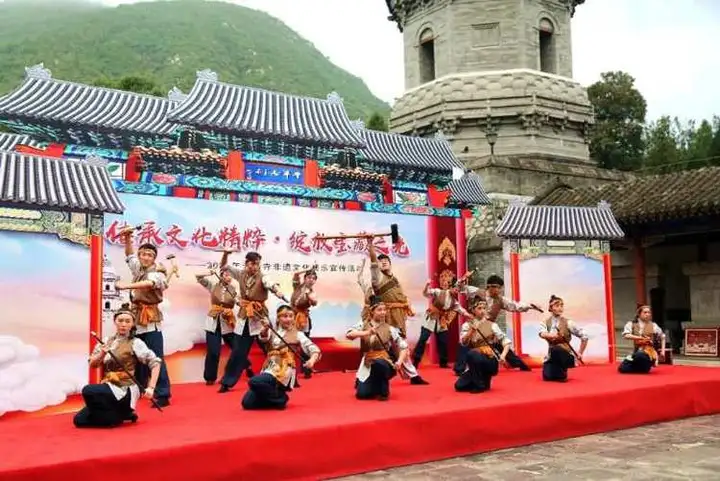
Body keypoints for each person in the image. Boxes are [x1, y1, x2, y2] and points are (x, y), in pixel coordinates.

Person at [74, 304, 161, 428]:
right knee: (79, 420)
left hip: (125, 388)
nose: (123, 324)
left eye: (127, 321)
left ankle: (119, 413)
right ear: (115, 322)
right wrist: (103, 353)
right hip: (108, 386)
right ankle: (121, 414)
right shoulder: (106, 340)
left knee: (88, 390)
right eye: (120, 321)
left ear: (132, 324)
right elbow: (93, 364)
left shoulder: (135, 343)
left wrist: (151, 388)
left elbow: (155, 362)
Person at [115, 229, 171, 407]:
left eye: (149, 255)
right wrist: (128, 238)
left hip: (151, 321)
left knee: (155, 356)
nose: (146, 257)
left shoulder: (158, 273)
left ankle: (162, 393)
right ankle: (138, 389)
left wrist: (126, 286)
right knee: (135, 355)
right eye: (143, 254)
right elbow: (130, 255)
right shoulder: (138, 268)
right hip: (136, 318)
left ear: (154, 258)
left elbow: (149, 284)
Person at [218, 250, 286, 393]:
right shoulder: (241, 274)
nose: (255, 266)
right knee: (238, 351)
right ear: (247, 263)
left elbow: (270, 283)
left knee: (272, 347)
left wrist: (277, 290)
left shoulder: (262, 276)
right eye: (252, 263)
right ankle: (227, 382)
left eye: (257, 264)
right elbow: (223, 267)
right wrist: (226, 254)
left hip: (260, 315)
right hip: (245, 315)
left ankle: (284, 377)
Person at [367, 239, 429, 385]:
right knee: (390, 347)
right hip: (387, 316)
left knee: (398, 346)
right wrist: (371, 246)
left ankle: (411, 375)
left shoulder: (394, 279)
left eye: (386, 260)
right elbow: (374, 264)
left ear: (390, 263)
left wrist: (407, 304)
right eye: (380, 261)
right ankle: (364, 377)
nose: (383, 262)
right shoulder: (378, 278)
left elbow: (401, 296)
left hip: (398, 315)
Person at [241, 305, 321, 410]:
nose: (288, 319)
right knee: (247, 403)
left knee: (253, 381)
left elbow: (314, 349)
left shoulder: (298, 334)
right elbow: (263, 339)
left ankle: (281, 398)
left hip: (283, 368)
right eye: (284, 316)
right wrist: (265, 328)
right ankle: (274, 399)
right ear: (278, 318)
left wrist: (311, 360)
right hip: (268, 368)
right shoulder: (272, 331)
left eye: (290, 316)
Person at [455, 274, 537, 374]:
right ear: (490, 287)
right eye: (498, 288)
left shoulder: (500, 300)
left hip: (489, 328)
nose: (499, 291)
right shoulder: (477, 292)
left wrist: (529, 306)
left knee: (501, 343)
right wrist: (462, 279)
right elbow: (459, 288)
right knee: (465, 342)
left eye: (500, 288)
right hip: (475, 325)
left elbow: (514, 306)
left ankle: (519, 364)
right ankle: (459, 369)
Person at [346, 296, 409, 401]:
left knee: (379, 363)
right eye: (379, 310)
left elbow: (403, 346)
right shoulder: (363, 324)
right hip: (367, 362)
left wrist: (399, 362)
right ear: (372, 311)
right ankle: (373, 384)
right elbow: (349, 335)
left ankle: (384, 388)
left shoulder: (390, 328)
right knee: (362, 395)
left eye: (384, 310)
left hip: (383, 362)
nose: (383, 312)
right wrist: (367, 332)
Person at [195, 266, 244, 386]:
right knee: (213, 351)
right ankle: (210, 378)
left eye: (230, 275)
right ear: (221, 275)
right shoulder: (213, 286)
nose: (228, 277)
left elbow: (239, 301)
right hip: (212, 320)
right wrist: (209, 272)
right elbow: (198, 276)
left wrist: (239, 302)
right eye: (226, 274)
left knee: (236, 348)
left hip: (227, 321)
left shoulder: (234, 289)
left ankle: (247, 367)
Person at [412, 272, 471, 368]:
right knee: (423, 338)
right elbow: (426, 293)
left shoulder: (454, 302)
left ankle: (443, 362)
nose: (456, 291)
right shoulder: (439, 292)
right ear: (450, 287)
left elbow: (461, 310)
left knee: (443, 341)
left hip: (442, 321)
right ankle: (416, 360)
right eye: (455, 288)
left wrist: (469, 315)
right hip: (431, 317)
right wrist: (427, 285)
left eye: (458, 290)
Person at [455, 297, 510, 393]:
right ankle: (483, 380)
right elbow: (463, 342)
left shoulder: (492, 325)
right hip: (475, 360)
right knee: (459, 386)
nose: (482, 311)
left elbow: (506, 341)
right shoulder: (467, 326)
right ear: (473, 310)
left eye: (484, 308)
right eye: (479, 308)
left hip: (489, 359)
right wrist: (471, 331)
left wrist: (503, 356)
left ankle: (479, 385)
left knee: (472, 354)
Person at [538, 295, 589, 382]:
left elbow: (585, 336)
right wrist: (554, 335)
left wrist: (580, 352)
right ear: (551, 308)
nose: (560, 308)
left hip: (565, 354)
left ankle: (562, 370)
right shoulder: (545, 322)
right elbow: (542, 334)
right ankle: (558, 372)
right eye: (557, 306)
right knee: (547, 377)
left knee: (556, 349)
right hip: (552, 356)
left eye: (562, 305)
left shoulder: (568, 323)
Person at [618, 305, 666, 374]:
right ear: (639, 314)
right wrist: (641, 338)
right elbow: (626, 335)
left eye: (649, 312)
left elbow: (663, 336)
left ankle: (643, 366)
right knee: (622, 368)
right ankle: (642, 368)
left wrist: (663, 352)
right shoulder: (631, 324)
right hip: (636, 351)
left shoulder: (654, 325)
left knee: (640, 355)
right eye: (645, 312)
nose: (647, 314)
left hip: (649, 352)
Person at [290, 266, 319, 378]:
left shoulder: (312, 292)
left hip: (302, 319)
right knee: (290, 342)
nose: (311, 279)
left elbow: (315, 301)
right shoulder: (297, 286)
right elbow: (296, 273)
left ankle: (307, 368)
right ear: (305, 278)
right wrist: (309, 268)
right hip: (291, 317)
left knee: (305, 344)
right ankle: (290, 368)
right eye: (309, 277)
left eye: (313, 278)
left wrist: (310, 298)